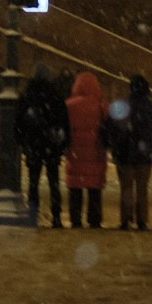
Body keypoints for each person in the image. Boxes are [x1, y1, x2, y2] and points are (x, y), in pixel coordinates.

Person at [106, 73, 152, 231]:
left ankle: (125, 219)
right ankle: (142, 220)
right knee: (142, 189)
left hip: (125, 155)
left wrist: (116, 145)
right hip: (144, 155)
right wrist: (150, 146)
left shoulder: (122, 106)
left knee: (126, 188)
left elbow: (111, 129)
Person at [16, 62, 70, 227]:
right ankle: (56, 217)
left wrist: (22, 142)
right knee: (54, 181)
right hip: (51, 143)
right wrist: (64, 143)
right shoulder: (55, 94)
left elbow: (19, 121)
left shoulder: (27, 94)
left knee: (33, 182)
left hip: (34, 144)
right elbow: (64, 120)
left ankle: (33, 216)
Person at [63, 67, 108, 230]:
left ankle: (75, 219)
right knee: (94, 187)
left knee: (75, 186)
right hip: (95, 152)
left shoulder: (69, 105)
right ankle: (94, 219)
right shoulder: (102, 106)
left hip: (75, 152)